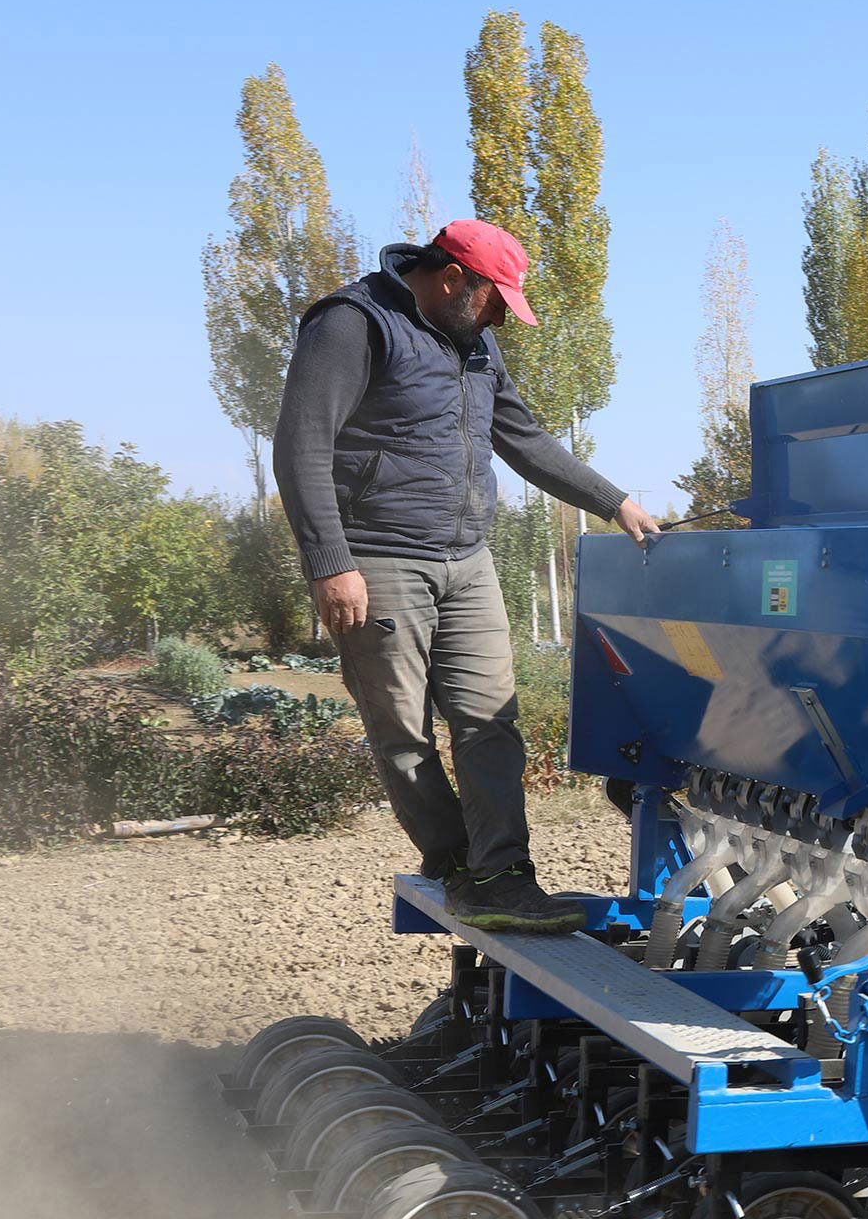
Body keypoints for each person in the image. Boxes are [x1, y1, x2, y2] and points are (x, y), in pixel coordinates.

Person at [273, 219, 664, 934]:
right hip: (378, 557)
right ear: (452, 277)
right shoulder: (354, 324)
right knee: (400, 729)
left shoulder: (475, 343)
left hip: (466, 559)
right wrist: (331, 563)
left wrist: (616, 502)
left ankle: (503, 876)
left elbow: (524, 438)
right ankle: (456, 861)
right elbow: (300, 446)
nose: (497, 320)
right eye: (493, 301)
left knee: (491, 720)